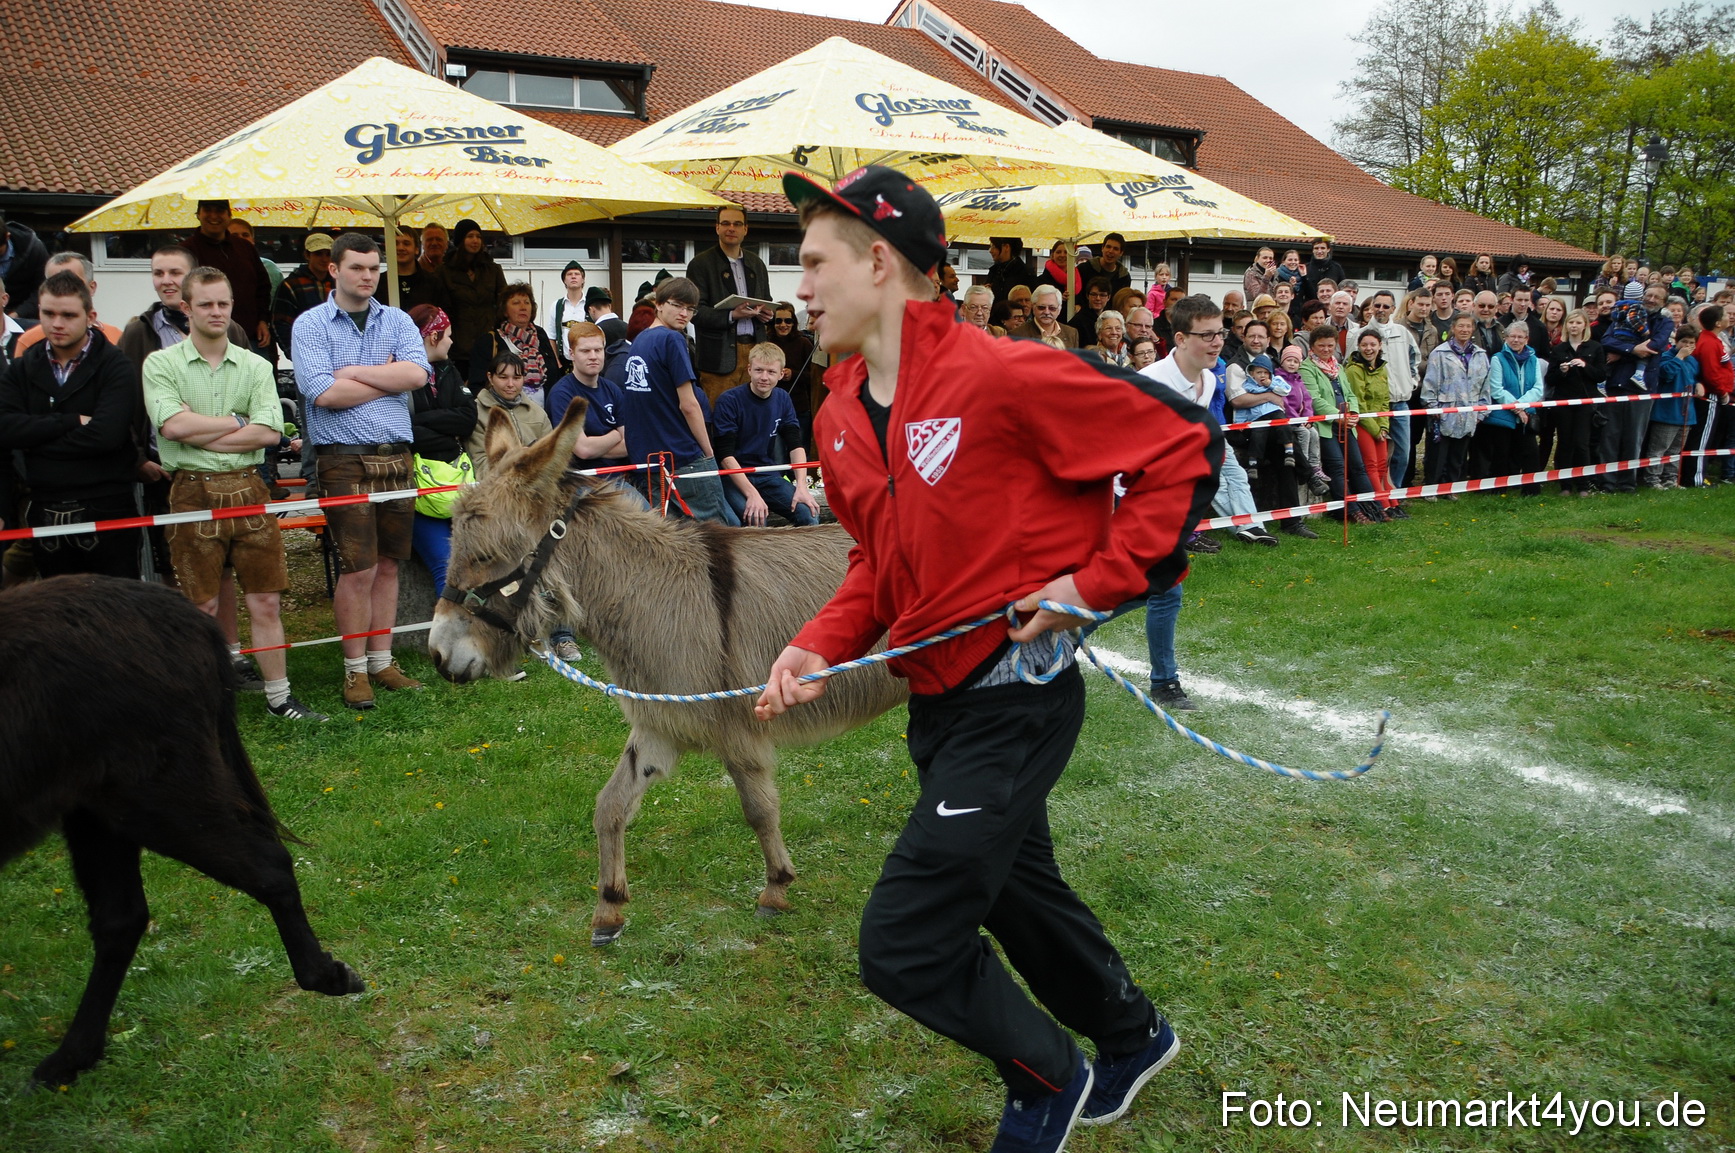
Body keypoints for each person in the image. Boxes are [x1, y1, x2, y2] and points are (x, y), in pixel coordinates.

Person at [758, 165, 1209, 1151]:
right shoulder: (835, 416)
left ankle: (1048, 1078)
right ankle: (1132, 1036)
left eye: (816, 263)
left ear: (880, 262)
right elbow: (876, 564)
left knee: (904, 941)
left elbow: (1179, 444)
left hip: (1016, 696)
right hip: (938, 704)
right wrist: (817, 643)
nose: (802, 288)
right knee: (1014, 889)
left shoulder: (1001, 372)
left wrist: (1092, 584)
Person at [141, 267, 322, 720]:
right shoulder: (160, 364)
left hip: (249, 485)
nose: (217, 311)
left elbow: (270, 433)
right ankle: (206, 702)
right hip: (191, 490)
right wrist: (240, 422)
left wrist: (201, 432)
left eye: (223, 303)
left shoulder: (256, 364)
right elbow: (171, 427)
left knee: (266, 599)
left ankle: (280, 698)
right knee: (201, 603)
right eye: (206, 304)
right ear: (186, 308)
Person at [293, 232, 431, 710]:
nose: (368, 276)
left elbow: (417, 375)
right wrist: (385, 377)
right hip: (342, 457)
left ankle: (382, 661)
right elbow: (322, 393)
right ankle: (354, 669)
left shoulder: (397, 319)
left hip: (396, 455)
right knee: (358, 568)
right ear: (334, 270)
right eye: (357, 267)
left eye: (374, 268)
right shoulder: (310, 324)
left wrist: (350, 372)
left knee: (389, 564)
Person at [0, 271, 146, 577]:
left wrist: (35, 442)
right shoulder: (23, 367)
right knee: (58, 606)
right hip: (44, 506)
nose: (56, 323)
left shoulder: (116, 366)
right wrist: (71, 421)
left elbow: (107, 436)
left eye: (68, 315)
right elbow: (6, 429)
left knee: (115, 604)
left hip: (107, 506)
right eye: (48, 313)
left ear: (90, 316)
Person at [1148, 299, 1278, 547]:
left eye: (1220, 333)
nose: (1218, 342)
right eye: (1207, 335)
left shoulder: (1208, 380)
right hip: (1141, 504)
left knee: (1234, 475)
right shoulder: (1149, 384)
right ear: (1181, 339)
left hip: (1205, 443)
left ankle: (1250, 527)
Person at [620, 276, 737, 525]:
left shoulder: (640, 340)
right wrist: (708, 453)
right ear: (659, 304)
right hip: (682, 457)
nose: (684, 314)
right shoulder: (672, 339)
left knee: (673, 538)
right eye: (677, 305)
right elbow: (689, 404)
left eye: (690, 308)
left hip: (648, 461)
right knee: (722, 534)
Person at [405, 304, 478, 597]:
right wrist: (447, 431)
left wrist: (423, 419)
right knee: (445, 566)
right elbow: (406, 432)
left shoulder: (449, 370)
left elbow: (468, 419)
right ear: (433, 336)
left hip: (456, 484)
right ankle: (449, 627)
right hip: (419, 492)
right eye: (447, 335)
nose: (451, 341)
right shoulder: (400, 373)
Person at [713, 343, 820, 527]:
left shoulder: (783, 398)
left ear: (781, 374)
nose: (764, 377)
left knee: (808, 513)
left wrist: (802, 487)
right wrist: (751, 494)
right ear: (749, 369)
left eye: (771, 372)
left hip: (766, 473)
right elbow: (725, 455)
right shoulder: (729, 400)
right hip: (733, 476)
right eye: (759, 370)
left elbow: (795, 445)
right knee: (757, 519)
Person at [119, 244, 252, 372]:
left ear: (193, 277)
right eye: (158, 274)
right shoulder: (138, 332)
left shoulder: (230, 329)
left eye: (175, 273)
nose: (166, 281)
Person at [689, 204, 773, 403]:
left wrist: (768, 314)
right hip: (719, 358)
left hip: (756, 353)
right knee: (719, 413)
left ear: (745, 229)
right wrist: (732, 315)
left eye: (737, 224)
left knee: (754, 413)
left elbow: (766, 300)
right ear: (717, 227)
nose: (731, 228)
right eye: (726, 223)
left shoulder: (757, 263)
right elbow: (695, 312)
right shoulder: (700, 264)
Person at [1300, 325, 1384, 523]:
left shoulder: (1338, 367)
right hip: (1326, 427)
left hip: (1346, 425)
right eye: (1321, 346)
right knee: (1337, 467)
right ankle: (1350, 511)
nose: (1326, 349)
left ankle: (1374, 508)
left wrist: (1353, 413)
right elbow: (1314, 399)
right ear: (1312, 346)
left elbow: (1350, 394)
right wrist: (1338, 415)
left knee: (1358, 466)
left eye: (1330, 345)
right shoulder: (1307, 368)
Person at [1598, 282, 1673, 494]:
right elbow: (1607, 340)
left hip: (1642, 388)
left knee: (1634, 438)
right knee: (1609, 437)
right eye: (1648, 294)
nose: (1650, 299)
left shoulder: (1664, 322)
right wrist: (1632, 349)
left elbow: (1655, 345)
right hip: (1616, 384)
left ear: (1663, 302)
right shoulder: (1625, 313)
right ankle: (1606, 483)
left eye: (1656, 297)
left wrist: (1624, 352)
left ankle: (1627, 483)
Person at [182, 200, 273, 355]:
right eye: (207, 210)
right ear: (198, 215)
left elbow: (263, 287)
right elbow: (183, 294)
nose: (213, 216)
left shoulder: (245, 247)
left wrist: (263, 320)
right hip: (207, 339)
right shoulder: (187, 251)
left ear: (229, 215)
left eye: (219, 210)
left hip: (252, 336)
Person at [1355, 290, 1420, 487]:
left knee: (1403, 452)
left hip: (1400, 403)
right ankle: (1375, 493)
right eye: (1377, 305)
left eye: (1386, 306)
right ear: (1371, 307)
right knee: (1375, 456)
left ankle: (1394, 491)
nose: (1381, 309)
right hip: (1373, 406)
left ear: (1393, 309)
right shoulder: (1360, 335)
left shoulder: (1403, 333)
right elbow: (1353, 366)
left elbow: (1415, 359)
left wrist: (1411, 382)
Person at [1421, 312, 1490, 492]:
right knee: (1437, 455)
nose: (1464, 330)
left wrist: (1481, 413)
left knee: (1457, 456)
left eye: (1468, 326)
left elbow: (1485, 386)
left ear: (1472, 329)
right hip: (1443, 412)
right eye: (1461, 326)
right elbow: (1429, 384)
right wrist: (1433, 408)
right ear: (1453, 328)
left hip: (1469, 413)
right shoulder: (1440, 353)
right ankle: (1431, 489)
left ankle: (1450, 488)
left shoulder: (1480, 355)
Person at [10, 253, 125, 356]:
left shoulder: (116, 337)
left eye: (73, 283)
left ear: (92, 287)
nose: (62, 289)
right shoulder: (29, 342)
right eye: (53, 283)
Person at [467, 283, 560, 409]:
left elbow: (554, 375)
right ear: (504, 311)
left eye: (527, 303)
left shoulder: (540, 335)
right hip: (504, 412)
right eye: (516, 303)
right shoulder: (489, 341)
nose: (523, 307)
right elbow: (477, 386)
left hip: (543, 413)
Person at [435, 219, 506, 380]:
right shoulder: (445, 271)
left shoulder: (492, 269)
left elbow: (503, 302)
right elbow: (441, 310)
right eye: (470, 236)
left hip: (488, 342)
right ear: (460, 240)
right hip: (457, 345)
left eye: (478, 236)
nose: (475, 240)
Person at [1476, 321, 1545, 486]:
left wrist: (1520, 405)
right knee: (1501, 454)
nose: (1516, 340)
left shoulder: (1534, 360)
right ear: (1505, 338)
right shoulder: (1497, 359)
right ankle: (1499, 489)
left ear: (1526, 339)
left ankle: (1531, 490)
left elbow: (1538, 388)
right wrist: (1516, 409)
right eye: (1512, 336)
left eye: (1520, 337)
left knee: (1530, 453)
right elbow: (1496, 389)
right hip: (1503, 415)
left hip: (1526, 414)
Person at [465, 350, 552, 480]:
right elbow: (480, 467)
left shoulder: (538, 413)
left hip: (537, 485)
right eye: (503, 377)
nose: (510, 384)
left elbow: (554, 457)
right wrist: (514, 460)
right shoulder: (476, 413)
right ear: (490, 377)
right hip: (497, 488)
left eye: (516, 378)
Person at [1344, 329, 1403, 517]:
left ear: (1380, 346)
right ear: (1358, 346)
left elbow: (1385, 400)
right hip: (1362, 423)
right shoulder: (1353, 370)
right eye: (1364, 345)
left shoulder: (1382, 369)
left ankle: (1393, 503)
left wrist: (1384, 426)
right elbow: (1359, 403)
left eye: (1372, 345)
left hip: (1379, 424)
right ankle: (1383, 506)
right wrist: (1376, 429)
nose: (1368, 349)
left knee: (1382, 466)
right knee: (1371, 465)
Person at [1547, 310, 1605, 495]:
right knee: (1564, 442)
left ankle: (1583, 484)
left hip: (1585, 402)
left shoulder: (1595, 347)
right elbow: (1550, 379)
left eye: (1578, 323)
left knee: (1581, 443)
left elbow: (1601, 375)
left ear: (1585, 326)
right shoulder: (1558, 349)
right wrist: (1562, 371)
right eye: (1571, 322)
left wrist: (1585, 365)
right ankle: (1564, 485)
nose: (1574, 326)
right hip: (1563, 402)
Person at [1640, 324, 1700, 489]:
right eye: (1684, 342)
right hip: (1667, 412)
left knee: (1676, 450)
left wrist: (1699, 384)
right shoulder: (1666, 357)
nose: (1687, 346)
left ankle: (1670, 479)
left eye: (1691, 343)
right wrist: (1678, 357)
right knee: (1659, 448)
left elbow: (1694, 378)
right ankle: (1652, 479)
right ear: (1677, 341)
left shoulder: (1693, 361)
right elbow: (1666, 374)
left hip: (1686, 413)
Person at [1686, 304, 1732, 486]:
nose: (1730, 317)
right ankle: (1695, 478)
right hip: (1710, 395)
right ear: (1718, 322)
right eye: (1726, 314)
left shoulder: (1713, 340)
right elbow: (1711, 372)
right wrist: (1722, 391)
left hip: (1714, 393)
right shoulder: (1708, 343)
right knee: (1702, 437)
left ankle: (1697, 474)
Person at [272, 233, 334, 358]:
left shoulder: (341, 283)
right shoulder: (291, 285)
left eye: (328, 254)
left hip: (339, 354)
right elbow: (280, 323)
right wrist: (295, 354)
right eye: (318, 254)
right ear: (307, 255)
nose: (324, 259)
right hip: (306, 352)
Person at [0, 219, 50, 320]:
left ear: (7, 237)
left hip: (25, 315)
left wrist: (18, 314)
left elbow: (43, 289)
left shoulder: (34, 250)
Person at [377, 226, 433, 311]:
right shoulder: (378, 283)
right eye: (396, 243)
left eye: (406, 244)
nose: (401, 248)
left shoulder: (432, 283)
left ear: (416, 249)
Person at [1010, 285, 1077, 349]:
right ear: (1033, 307)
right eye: (1041, 307)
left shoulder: (1071, 333)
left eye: (1052, 308)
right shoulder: (1017, 335)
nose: (1047, 312)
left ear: (1059, 309)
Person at [547, 261, 589, 350]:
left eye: (577, 274)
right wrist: (556, 359)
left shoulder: (591, 304)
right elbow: (551, 337)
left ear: (583, 280)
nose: (573, 276)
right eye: (569, 274)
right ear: (564, 281)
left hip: (588, 357)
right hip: (564, 358)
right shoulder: (556, 306)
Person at [985, 237, 1037, 302]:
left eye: (994, 246)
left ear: (1006, 247)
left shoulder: (1025, 273)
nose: (990, 250)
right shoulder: (994, 270)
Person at [1299, 238, 1346, 303]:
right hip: (1310, 306)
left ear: (1328, 249)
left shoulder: (1336, 268)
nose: (1319, 251)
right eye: (1316, 248)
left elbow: (1343, 289)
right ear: (1313, 250)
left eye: (1322, 248)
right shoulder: (1305, 268)